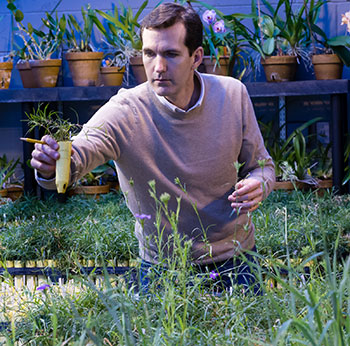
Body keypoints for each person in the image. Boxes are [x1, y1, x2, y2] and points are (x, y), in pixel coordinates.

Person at [31, 3, 275, 294]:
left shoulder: (233, 95)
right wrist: (53, 165)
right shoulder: (126, 110)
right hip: (163, 268)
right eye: (149, 54)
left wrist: (259, 184)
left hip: (236, 260)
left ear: (196, 57)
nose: (158, 67)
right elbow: (82, 151)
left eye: (170, 54)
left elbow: (262, 166)